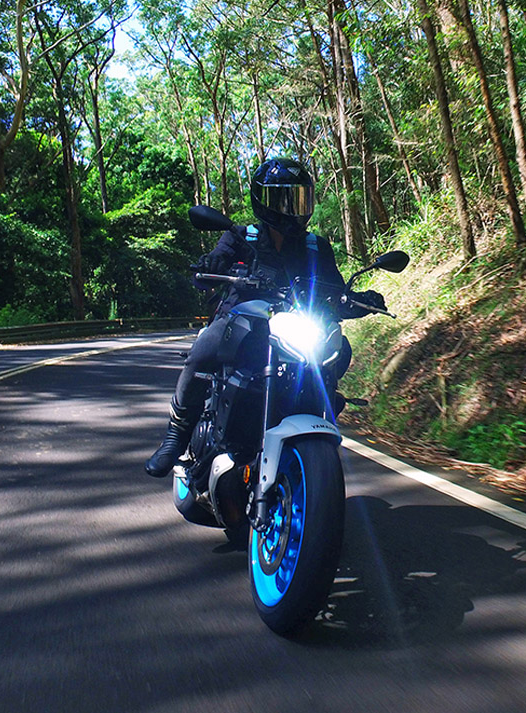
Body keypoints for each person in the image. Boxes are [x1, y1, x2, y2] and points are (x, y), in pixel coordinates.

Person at [145, 157, 383, 477]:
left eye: (298, 198)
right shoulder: (241, 237)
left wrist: (358, 300)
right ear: (262, 200)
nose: (291, 208)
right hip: (243, 324)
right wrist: (209, 266)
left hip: (297, 326)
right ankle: (176, 436)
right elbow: (213, 265)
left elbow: (336, 290)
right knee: (203, 349)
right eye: (282, 199)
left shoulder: (317, 247)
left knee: (338, 350)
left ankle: (319, 421)